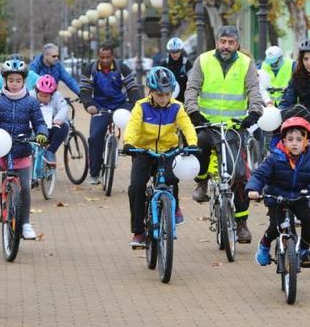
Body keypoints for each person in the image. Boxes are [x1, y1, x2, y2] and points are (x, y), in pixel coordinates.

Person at [184, 25, 263, 243]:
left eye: (230, 42)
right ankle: (201, 182)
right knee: (199, 146)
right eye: (222, 42)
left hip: (233, 129)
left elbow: (254, 91)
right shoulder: (203, 60)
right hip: (207, 125)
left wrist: (254, 112)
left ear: (237, 44)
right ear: (216, 42)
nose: (225, 46)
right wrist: (193, 111)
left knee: (239, 175)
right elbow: (191, 89)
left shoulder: (246, 64)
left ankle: (241, 224)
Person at [0, 57, 48, 241]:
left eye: (18, 80)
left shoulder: (31, 102)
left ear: (24, 81)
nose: (14, 84)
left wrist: (41, 134)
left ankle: (26, 223)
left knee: (25, 187)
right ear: (4, 81)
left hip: (21, 148)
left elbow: (39, 122)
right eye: (11, 80)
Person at [122, 67, 198, 247]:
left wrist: (193, 143)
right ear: (151, 91)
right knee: (136, 187)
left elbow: (187, 126)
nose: (164, 99)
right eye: (159, 94)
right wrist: (128, 143)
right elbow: (132, 126)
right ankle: (138, 232)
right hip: (143, 152)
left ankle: (175, 207)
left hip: (167, 151)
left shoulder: (177, 107)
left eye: (167, 94)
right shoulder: (141, 106)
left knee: (172, 179)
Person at [245, 117, 310, 267]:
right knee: (276, 226)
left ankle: (305, 249)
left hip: (299, 197)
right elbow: (259, 175)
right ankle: (265, 244)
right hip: (277, 197)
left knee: (307, 219)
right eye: (290, 139)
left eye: (299, 139)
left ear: (306, 142)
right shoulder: (274, 159)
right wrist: (253, 189)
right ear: (283, 141)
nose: (294, 143)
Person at [80, 45, 141, 184]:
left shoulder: (122, 68)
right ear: (98, 56)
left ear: (113, 56)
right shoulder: (90, 69)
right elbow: (85, 90)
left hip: (120, 105)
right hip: (99, 107)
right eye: (102, 57)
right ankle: (95, 173)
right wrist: (89, 104)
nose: (105, 60)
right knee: (95, 138)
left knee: (137, 133)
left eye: (108, 57)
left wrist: (137, 106)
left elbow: (132, 89)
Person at [33, 74, 70, 166]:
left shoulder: (57, 97)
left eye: (46, 96)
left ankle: (50, 152)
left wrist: (58, 119)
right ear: (36, 91)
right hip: (34, 128)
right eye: (41, 95)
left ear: (52, 94)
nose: (43, 98)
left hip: (51, 126)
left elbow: (64, 108)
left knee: (64, 127)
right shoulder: (30, 96)